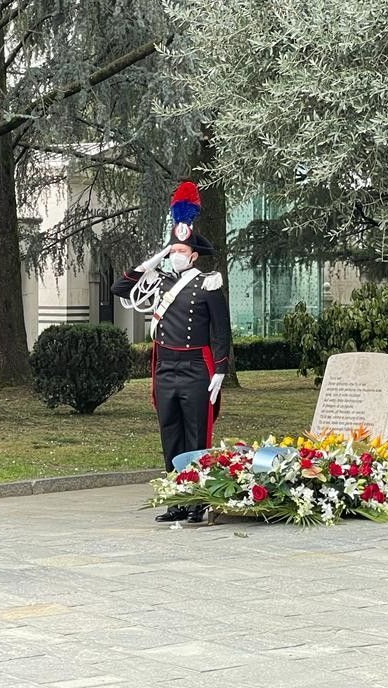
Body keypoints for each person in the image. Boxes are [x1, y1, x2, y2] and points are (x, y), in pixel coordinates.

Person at [111, 182, 231, 524]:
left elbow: (221, 330)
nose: (176, 254)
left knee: (196, 435)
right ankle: (176, 499)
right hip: (165, 368)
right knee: (171, 434)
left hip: (196, 368)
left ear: (193, 254)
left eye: (180, 250)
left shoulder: (209, 283)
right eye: (172, 249)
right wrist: (156, 258)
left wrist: (220, 370)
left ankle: (199, 500)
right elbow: (121, 287)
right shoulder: (160, 280)